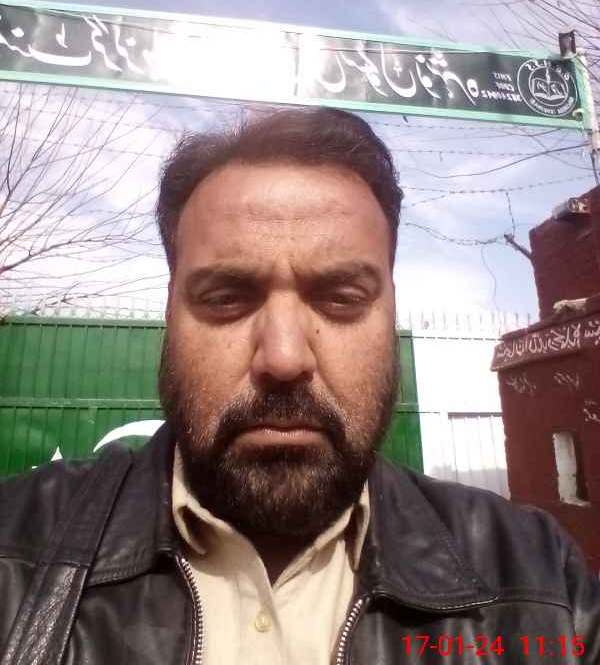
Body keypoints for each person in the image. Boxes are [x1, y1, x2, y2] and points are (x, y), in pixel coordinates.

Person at [0, 106, 599, 665]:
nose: (284, 358)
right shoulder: (14, 550)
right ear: (169, 316)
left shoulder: (542, 582)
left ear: (392, 315)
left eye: (341, 297)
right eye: (226, 297)